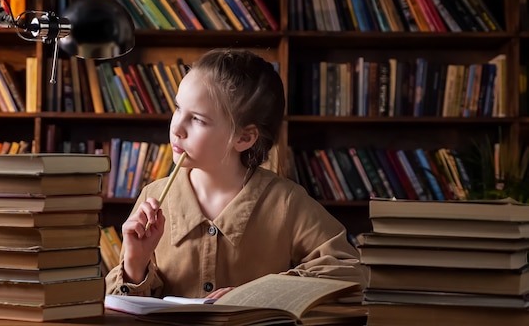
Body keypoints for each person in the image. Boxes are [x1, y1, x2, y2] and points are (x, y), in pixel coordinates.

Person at [105, 49, 369, 298]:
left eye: (197, 119)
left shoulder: (285, 202)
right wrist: (135, 263)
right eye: (177, 108)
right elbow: (120, 307)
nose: (177, 128)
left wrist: (264, 292)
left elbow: (350, 270)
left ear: (244, 138)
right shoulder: (153, 196)